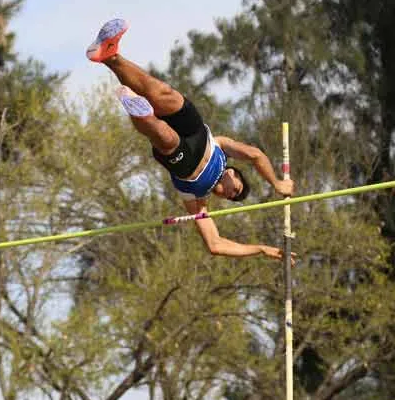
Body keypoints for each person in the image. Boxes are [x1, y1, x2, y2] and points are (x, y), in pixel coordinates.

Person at [87, 18, 295, 261]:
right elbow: (255, 155)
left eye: (231, 198)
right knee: (163, 92)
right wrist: (276, 184)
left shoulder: (197, 201)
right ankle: (110, 55)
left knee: (165, 137)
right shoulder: (222, 146)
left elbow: (215, 245)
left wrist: (261, 249)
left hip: (185, 163)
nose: (229, 194)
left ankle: (139, 111)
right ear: (232, 173)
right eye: (235, 189)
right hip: (197, 131)